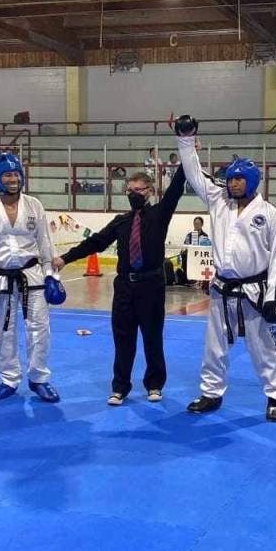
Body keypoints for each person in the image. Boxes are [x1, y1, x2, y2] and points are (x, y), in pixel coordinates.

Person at [175, 115, 276, 422]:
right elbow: (194, 173)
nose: (233, 182)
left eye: (239, 179)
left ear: (252, 181)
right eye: (230, 178)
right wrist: (186, 139)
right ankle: (211, 393)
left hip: (255, 291)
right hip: (221, 289)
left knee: (263, 347)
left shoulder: (269, 214)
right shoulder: (219, 200)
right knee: (213, 347)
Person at [53, 166, 186, 406]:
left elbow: (175, 189)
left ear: (150, 191)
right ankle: (120, 387)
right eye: (129, 190)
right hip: (124, 286)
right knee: (123, 338)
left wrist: (187, 156)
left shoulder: (159, 214)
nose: (133, 194)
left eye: (138, 190)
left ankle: (154, 384)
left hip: (151, 285)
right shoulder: (121, 222)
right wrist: (65, 258)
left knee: (152, 337)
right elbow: (95, 242)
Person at [0, 152, 66, 403]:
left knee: (40, 328)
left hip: (32, 275)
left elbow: (45, 243)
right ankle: (9, 379)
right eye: (7, 175)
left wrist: (51, 276)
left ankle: (39, 378)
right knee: (4, 331)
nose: (13, 179)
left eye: (16, 174)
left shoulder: (34, 205)